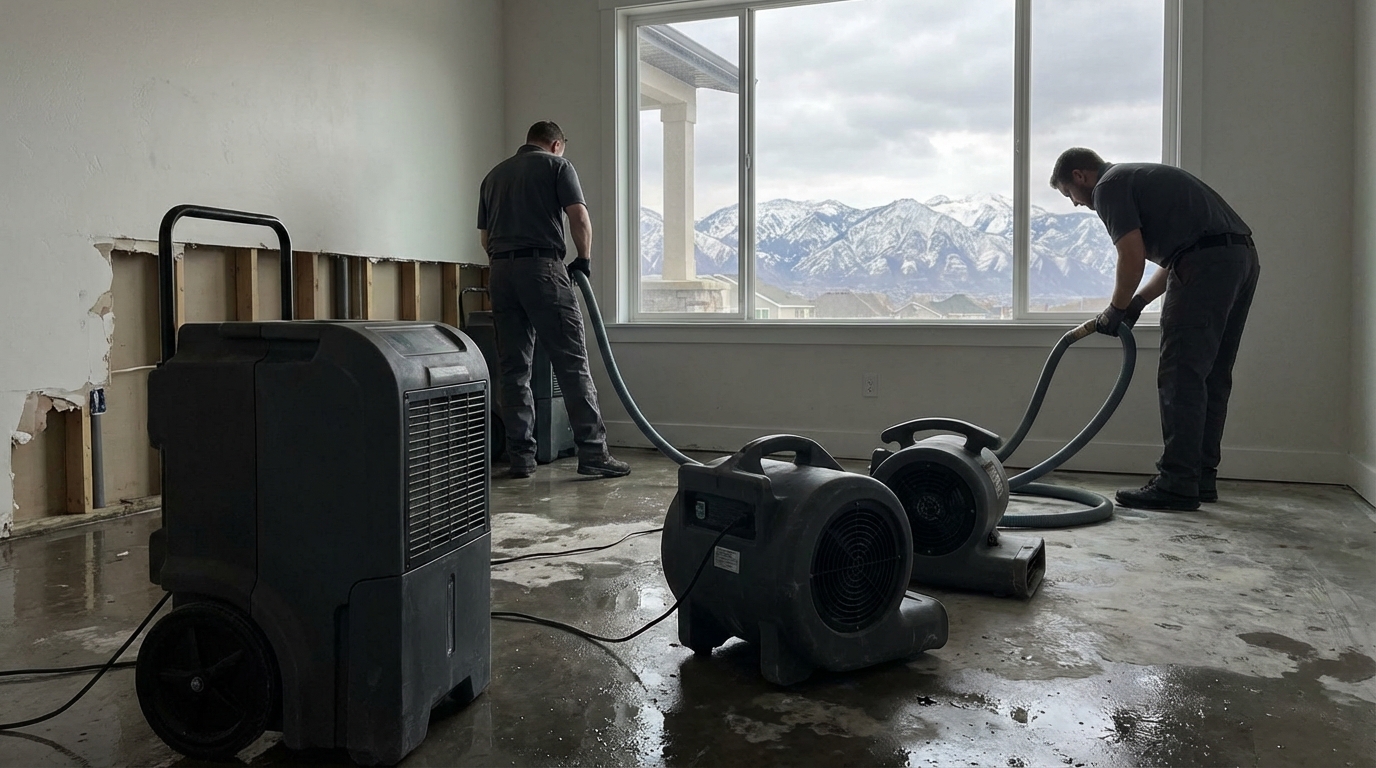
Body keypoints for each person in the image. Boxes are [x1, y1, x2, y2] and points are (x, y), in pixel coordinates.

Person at [1050, 148, 1260, 511]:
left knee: (1181, 375)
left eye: (1069, 193)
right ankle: (1199, 477)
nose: (1075, 204)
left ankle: (1177, 483)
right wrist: (1137, 303)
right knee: (1210, 376)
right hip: (1239, 259)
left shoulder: (1109, 187)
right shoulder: (1135, 178)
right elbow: (1182, 253)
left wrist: (1115, 310)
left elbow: (1131, 256)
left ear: (1080, 176)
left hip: (1205, 265)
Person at [477, 121, 630, 479]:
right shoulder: (558, 166)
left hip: (499, 273)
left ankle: (521, 458)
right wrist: (584, 260)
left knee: (513, 369)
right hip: (542, 269)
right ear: (556, 144)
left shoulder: (493, 176)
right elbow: (579, 217)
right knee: (571, 363)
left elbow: (485, 239)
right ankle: (593, 453)